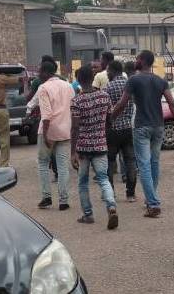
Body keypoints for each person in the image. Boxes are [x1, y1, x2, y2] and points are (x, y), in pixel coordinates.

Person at [112, 50, 174, 218]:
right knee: (154, 163)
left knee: (144, 165)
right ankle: (150, 199)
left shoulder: (133, 80)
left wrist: (110, 118)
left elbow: (122, 104)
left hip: (141, 127)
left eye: (137, 58)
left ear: (142, 61)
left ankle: (152, 203)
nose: (136, 60)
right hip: (158, 126)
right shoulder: (160, 81)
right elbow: (172, 104)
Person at [70, 65, 118, 229]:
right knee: (104, 179)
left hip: (83, 147)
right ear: (92, 78)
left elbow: (75, 128)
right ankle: (111, 206)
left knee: (83, 182)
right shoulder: (105, 97)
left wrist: (73, 152)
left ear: (78, 81)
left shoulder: (76, 101)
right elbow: (110, 120)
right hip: (100, 145)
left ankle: (88, 215)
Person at [36, 61, 75, 211]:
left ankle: (46, 197)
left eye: (40, 71)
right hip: (65, 130)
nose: (39, 74)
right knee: (63, 166)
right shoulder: (68, 86)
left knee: (43, 163)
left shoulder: (43, 88)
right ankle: (63, 201)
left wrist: (45, 135)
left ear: (46, 72)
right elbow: (73, 107)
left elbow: (46, 115)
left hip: (48, 131)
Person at [104, 60, 138, 202]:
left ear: (112, 70)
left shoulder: (108, 87)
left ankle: (110, 192)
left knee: (110, 161)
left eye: (107, 71)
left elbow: (106, 109)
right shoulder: (130, 84)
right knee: (130, 161)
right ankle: (130, 193)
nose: (107, 73)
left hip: (113, 129)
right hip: (128, 128)